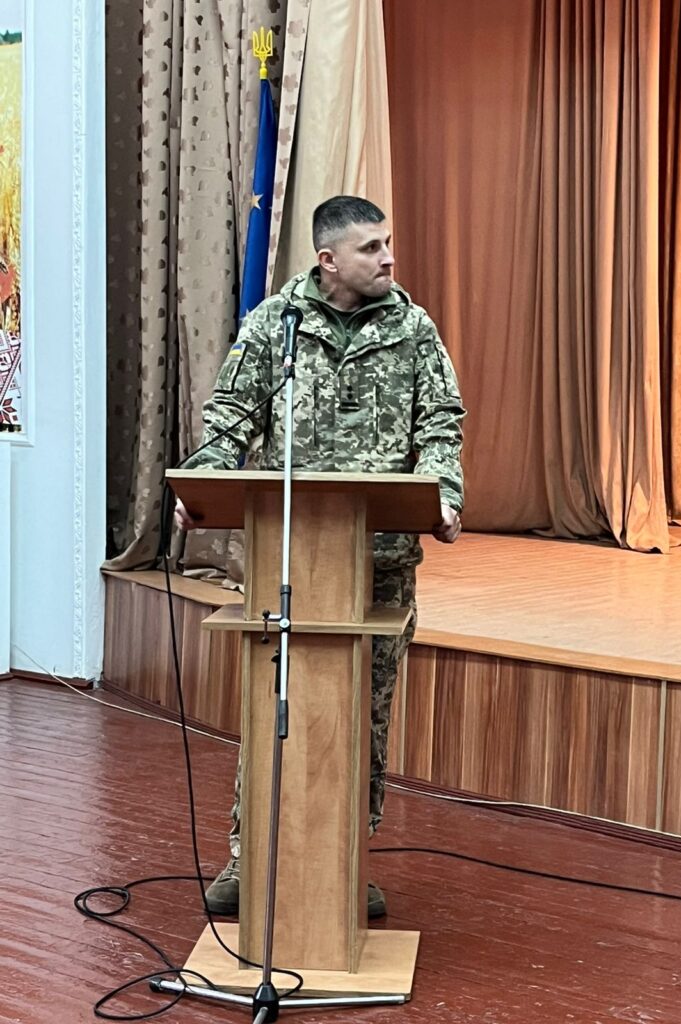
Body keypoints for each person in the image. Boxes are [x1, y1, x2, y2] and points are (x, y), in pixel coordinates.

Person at [175, 195, 465, 918]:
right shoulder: (276, 324)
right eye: (371, 248)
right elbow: (230, 420)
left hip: (379, 564)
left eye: (388, 242)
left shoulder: (413, 329)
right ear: (327, 260)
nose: (388, 258)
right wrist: (205, 482)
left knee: (362, 718)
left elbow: (441, 424)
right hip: (289, 562)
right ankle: (248, 858)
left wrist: (444, 493)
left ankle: (344, 862)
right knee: (274, 707)